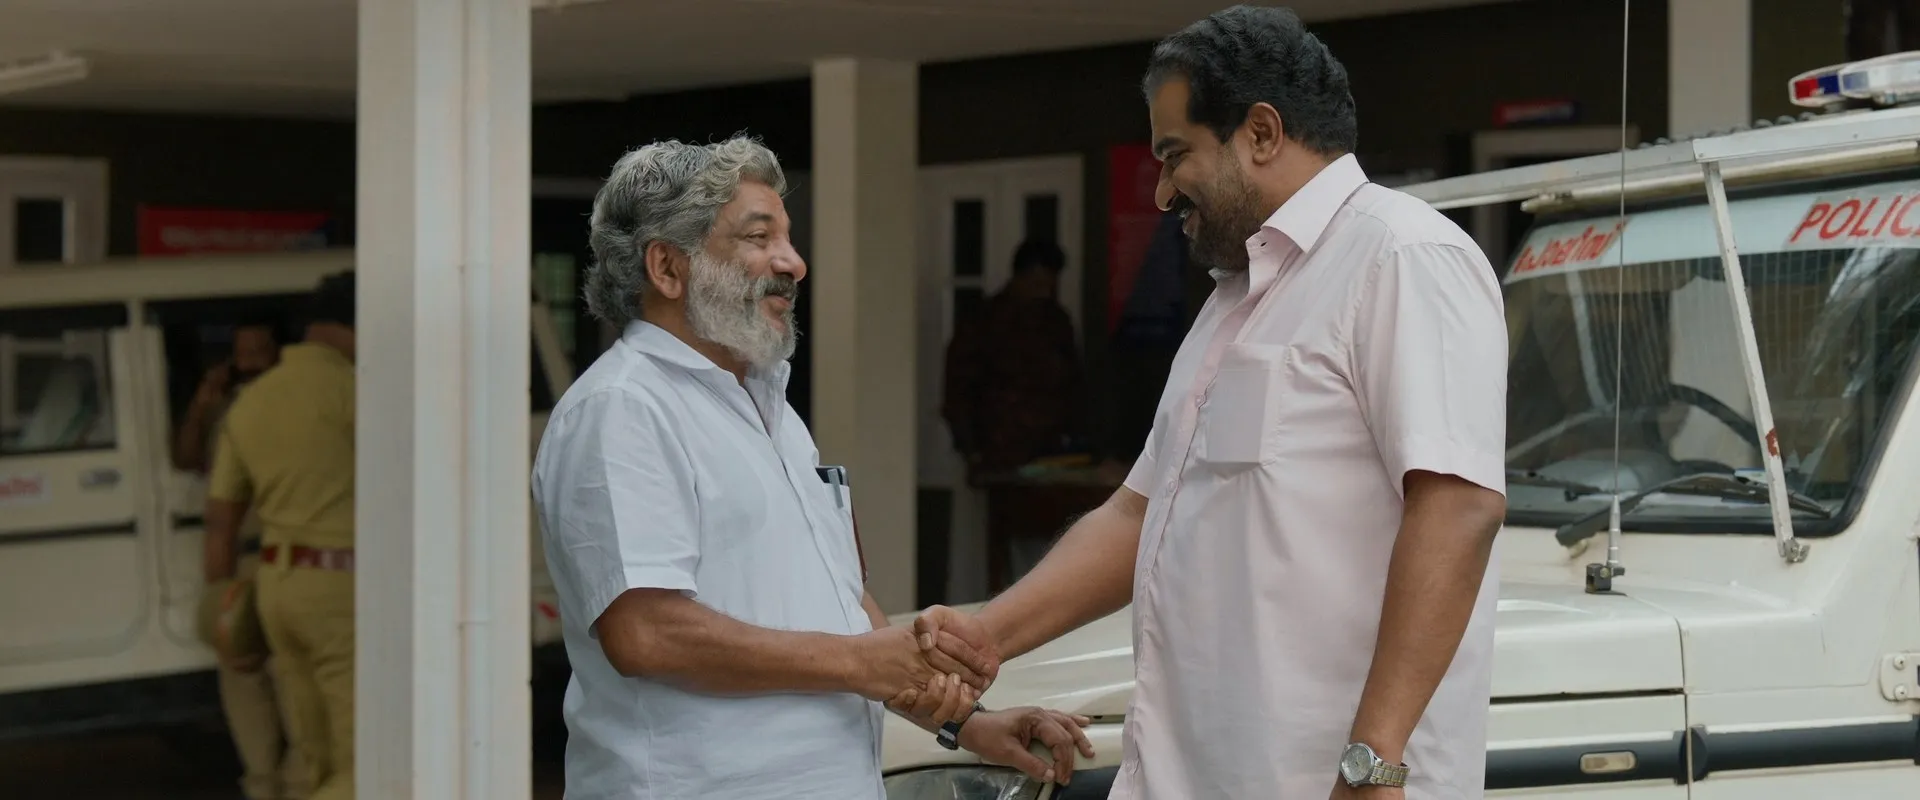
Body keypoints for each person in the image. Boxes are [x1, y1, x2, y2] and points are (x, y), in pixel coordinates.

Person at [915, 6, 1509, 799]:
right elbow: (1140, 514)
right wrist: (989, 634)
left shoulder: (1404, 256)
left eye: (1174, 155)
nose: (1163, 191)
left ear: (1260, 132)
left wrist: (1374, 760)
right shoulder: (1234, 299)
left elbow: (1457, 508)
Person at [531, 135, 1094, 800]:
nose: (794, 264)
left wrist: (969, 724)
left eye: (788, 238)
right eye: (758, 237)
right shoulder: (622, 408)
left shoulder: (769, 409)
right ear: (667, 267)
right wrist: (860, 662)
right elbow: (647, 634)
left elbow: (839, 607)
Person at [206, 272, 359, 800]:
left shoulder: (252, 401)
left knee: (314, 753)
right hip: (341, 587)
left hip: (275, 587)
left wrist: (222, 611)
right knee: (360, 754)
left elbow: (221, 521)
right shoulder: (354, 390)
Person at [179, 319, 305, 800]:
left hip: (285, 555)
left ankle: (299, 785)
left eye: (259, 350)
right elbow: (186, 458)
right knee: (242, 678)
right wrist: (201, 405)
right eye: (242, 352)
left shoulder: (294, 403)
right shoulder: (225, 408)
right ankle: (262, 785)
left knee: (292, 681)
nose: (249, 361)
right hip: (239, 559)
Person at [941, 239, 1085, 485]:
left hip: (1050, 452)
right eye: (1037, 284)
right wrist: (972, 451)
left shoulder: (1056, 322)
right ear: (1020, 278)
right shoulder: (984, 322)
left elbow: (1073, 382)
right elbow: (958, 390)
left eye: (1049, 285)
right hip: (998, 452)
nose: (1043, 293)